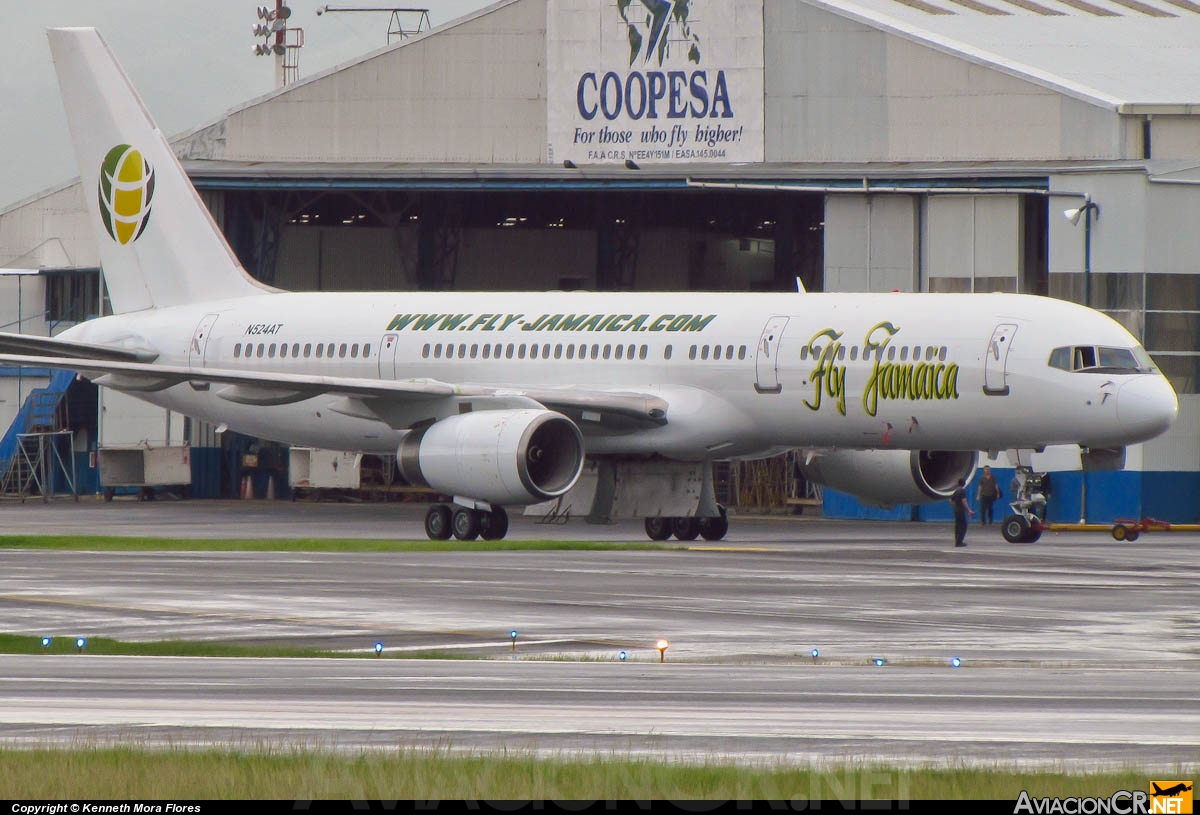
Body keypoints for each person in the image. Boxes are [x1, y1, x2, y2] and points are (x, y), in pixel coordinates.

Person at [951, 477, 974, 547]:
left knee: (957, 526)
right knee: (963, 526)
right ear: (964, 484)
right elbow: (964, 501)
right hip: (961, 510)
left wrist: (955, 506)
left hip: (956, 510)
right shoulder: (962, 490)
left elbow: (951, 501)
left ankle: (957, 541)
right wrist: (969, 510)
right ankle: (960, 541)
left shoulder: (956, 491)